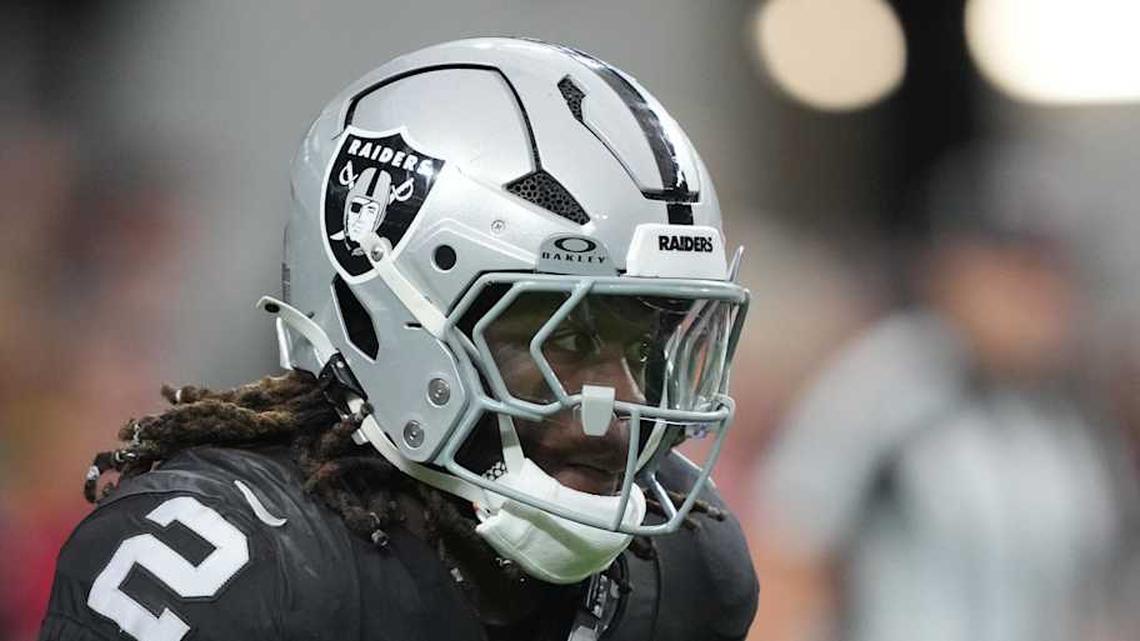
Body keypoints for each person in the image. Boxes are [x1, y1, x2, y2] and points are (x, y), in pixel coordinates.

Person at [38, 38, 759, 641]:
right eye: (564, 339)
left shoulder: (681, 568)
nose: (622, 409)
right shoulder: (230, 568)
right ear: (392, 313)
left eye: (642, 348)